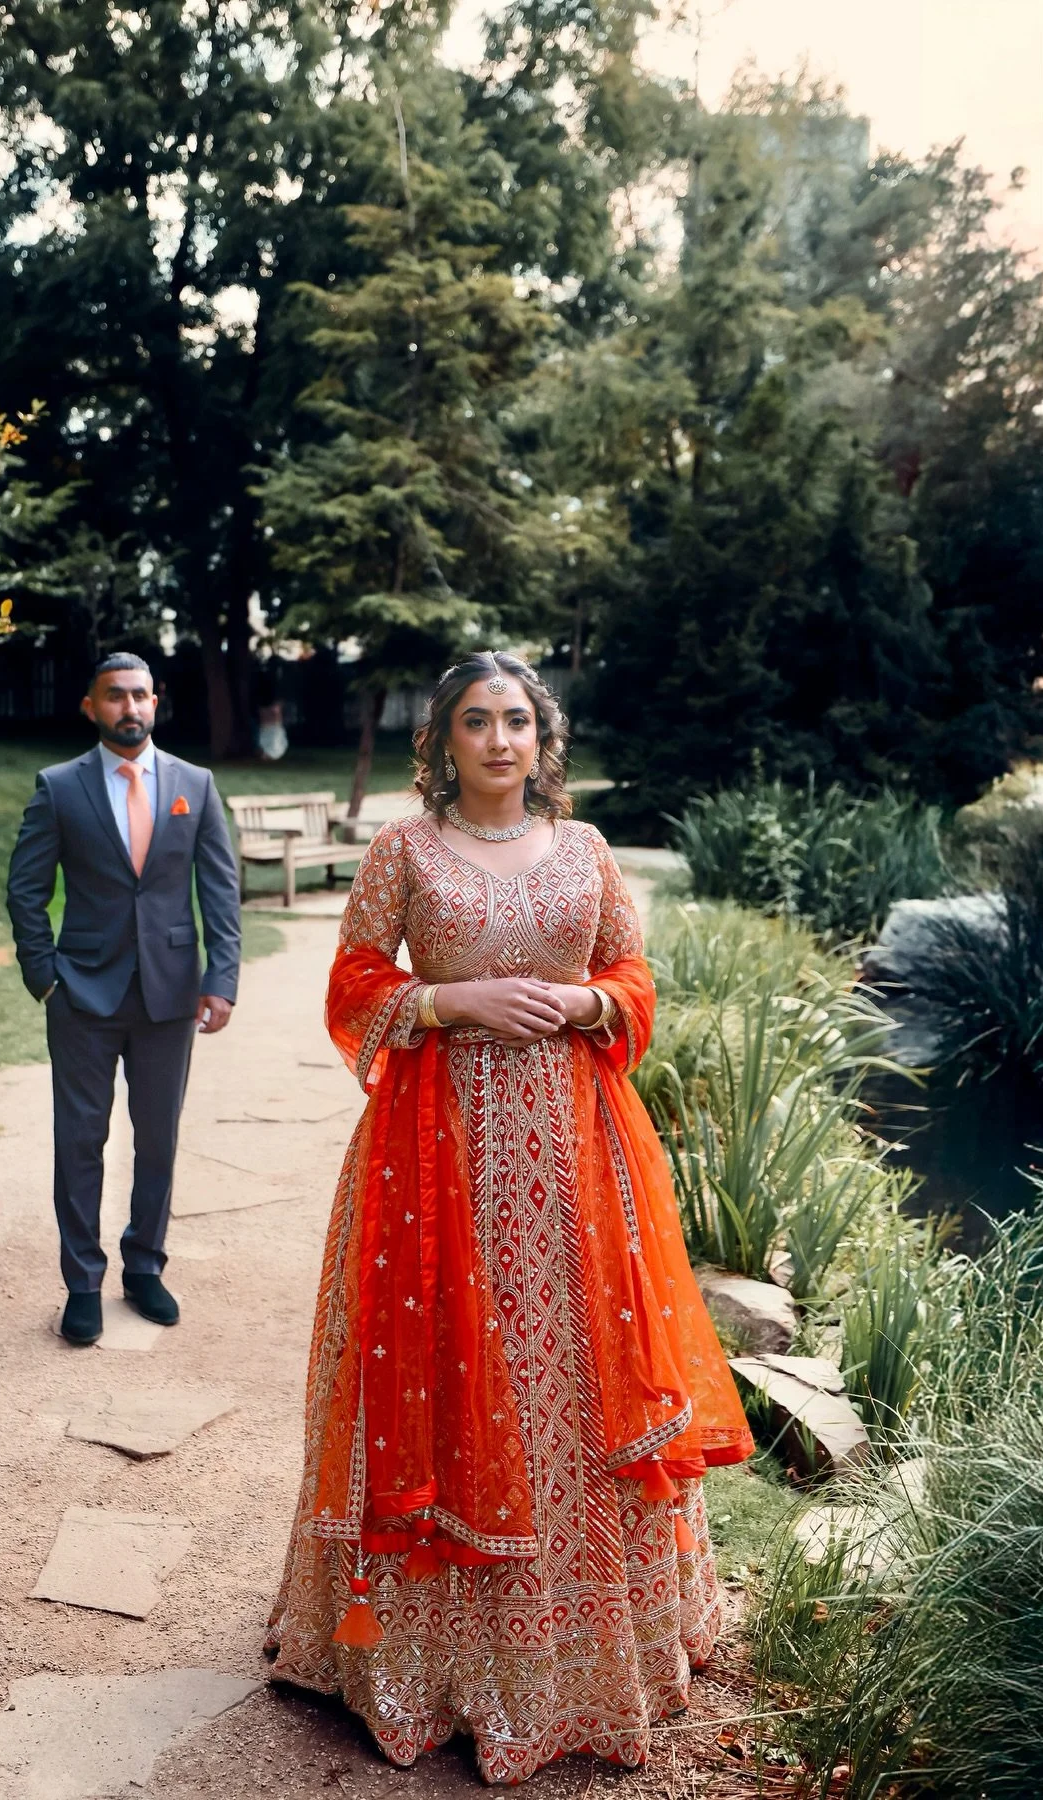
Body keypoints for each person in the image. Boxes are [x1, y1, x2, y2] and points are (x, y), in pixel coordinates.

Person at [267, 651, 753, 1784]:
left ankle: (591, 1661)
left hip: (581, 1158)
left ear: (545, 740)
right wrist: (444, 1000)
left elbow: (632, 976)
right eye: (476, 722)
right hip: (434, 1157)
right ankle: (408, 1667)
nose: (499, 740)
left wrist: (585, 999)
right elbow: (350, 980)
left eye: (518, 721)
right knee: (442, 1368)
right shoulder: (403, 852)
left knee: (578, 1371)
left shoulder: (584, 851)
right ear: (441, 742)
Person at [6, 653, 241, 1346]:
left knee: (159, 1139)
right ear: (92, 707)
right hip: (81, 992)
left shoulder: (195, 785)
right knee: (80, 1140)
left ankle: (143, 1267)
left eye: (140, 694)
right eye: (115, 696)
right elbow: (25, 890)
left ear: (156, 703)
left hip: (169, 993)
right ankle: (83, 1280)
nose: (129, 706)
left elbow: (220, 891)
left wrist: (221, 978)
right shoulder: (58, 787)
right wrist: (44, 974)